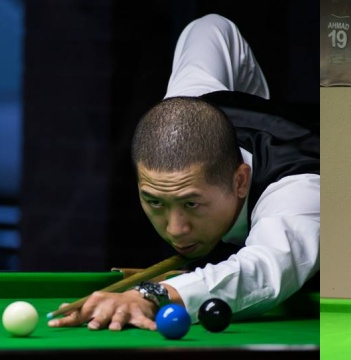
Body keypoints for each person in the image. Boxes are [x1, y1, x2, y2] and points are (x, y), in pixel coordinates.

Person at [48, 13, 319, 331]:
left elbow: (264, 269)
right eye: (155, 202)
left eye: (191, 204)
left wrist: (154, 294)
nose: (175, 230)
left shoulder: (297, 191)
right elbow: (213, 27)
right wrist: (256, 105)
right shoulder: (186, 104)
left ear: (240, 181)